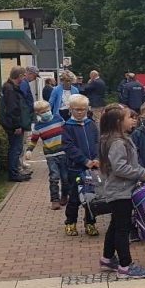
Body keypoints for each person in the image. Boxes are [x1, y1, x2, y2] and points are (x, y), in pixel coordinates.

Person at [96, 104, 145, 279]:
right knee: (122, 228)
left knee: (115, 225)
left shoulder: (111, 139)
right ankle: (125, 266)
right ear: (119, 122)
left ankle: (107, 258)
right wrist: (142, 174)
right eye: (130, 117)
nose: (133, 120)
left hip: (117, 190)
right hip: (121, 192)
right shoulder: (118, 142)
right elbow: (120, 167)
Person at [61, 95, 99, 237]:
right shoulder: (67, 127)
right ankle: (70, 222)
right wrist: (84, 160)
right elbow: (69, 147)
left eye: (83, 109)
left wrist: (96, 158)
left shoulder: (91, 124)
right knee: (75, 197)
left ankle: (90, 222)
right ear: (71, 109)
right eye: (77, 110)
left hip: (92, 168)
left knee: (92, 196)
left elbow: (97, 142)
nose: (80, 112)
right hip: (75, 168)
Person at [28, 100, 67, 210]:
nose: (46, 113)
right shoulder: (38, 127)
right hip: (51, 155)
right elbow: (34, 140)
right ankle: (54, 200)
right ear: (38, 114)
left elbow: (67, 131)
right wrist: (29, 150)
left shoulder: (58, 119)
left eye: (48, 110)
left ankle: (65, 195)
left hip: (63, 152)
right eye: (43, 112)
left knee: (65, 177)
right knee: (54, 177)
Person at [0, 66, 32, 182]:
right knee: (15, 148)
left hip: (11, 124)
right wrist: (17, 125)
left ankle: (16, 172)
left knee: (16, 148)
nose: (24, 79)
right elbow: (13, 109)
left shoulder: (8, 87)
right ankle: (14, 174)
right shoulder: (10, 89)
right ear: (19, 76)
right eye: (23, 76)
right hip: (13, 125)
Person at [18, 66, 38, 173]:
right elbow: (23, 100)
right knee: (22, 142)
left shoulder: (24, 83)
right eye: (34, 76)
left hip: (25, 116)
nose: (34, 79)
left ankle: (21, 162)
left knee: (23, 141)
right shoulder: (24, 84)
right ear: (29, 73)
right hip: (24, 117)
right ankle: (19, 164)